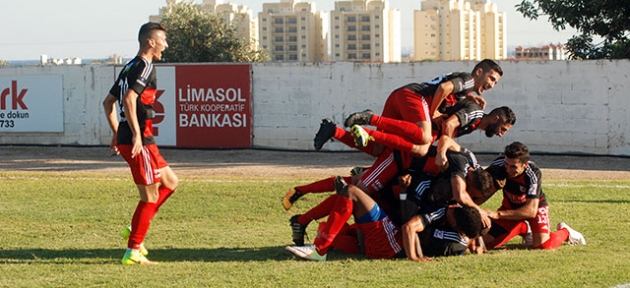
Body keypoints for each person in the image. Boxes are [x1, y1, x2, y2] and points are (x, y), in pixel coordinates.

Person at [102, 22, 178, 265]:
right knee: (150, 196)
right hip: (140, 141)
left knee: (170, 182)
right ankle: (133, 249)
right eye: (163, 40)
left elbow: (107, 103)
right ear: (151, 42)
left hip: (140, 139)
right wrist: (134, 134)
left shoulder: (129, 66)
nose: (165, 45)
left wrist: (117, 132)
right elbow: (128, 98)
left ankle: (136, 226)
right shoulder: (145, 65)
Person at [313, 59, 503, 156]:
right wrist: (433, 111)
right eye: (491, 79)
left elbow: (448, 85)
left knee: (378, 149)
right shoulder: (469, 80)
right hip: (413, 96)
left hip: (401, 97)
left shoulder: (466, 87)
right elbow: (444, 87)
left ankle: (333, 131)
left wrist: (469, 96)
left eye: (495, 82)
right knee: (423, 136)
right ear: (479, 72)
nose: (492, 85)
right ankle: (369, 120)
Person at [481, 142, 586, 249]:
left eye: (513, 167)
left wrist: (497, 214)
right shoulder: (498, 165)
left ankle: (565, 232)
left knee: (544, 246)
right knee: (485, 243)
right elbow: (479, 186)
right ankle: (524, 227)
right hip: (510, 210)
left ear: (525, 165)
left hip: (535, 209)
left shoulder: (532, 173)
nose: (508, 170)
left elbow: (530, 211)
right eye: (506, 164)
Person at [285, 177, 404, 261]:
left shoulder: (410, 174)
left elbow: (412, 223)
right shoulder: (398, 165)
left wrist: (415, 255)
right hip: (376, 234)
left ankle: (319, 248)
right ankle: (303, 222)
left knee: (350, 191)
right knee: (347, 193)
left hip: (390, 240)